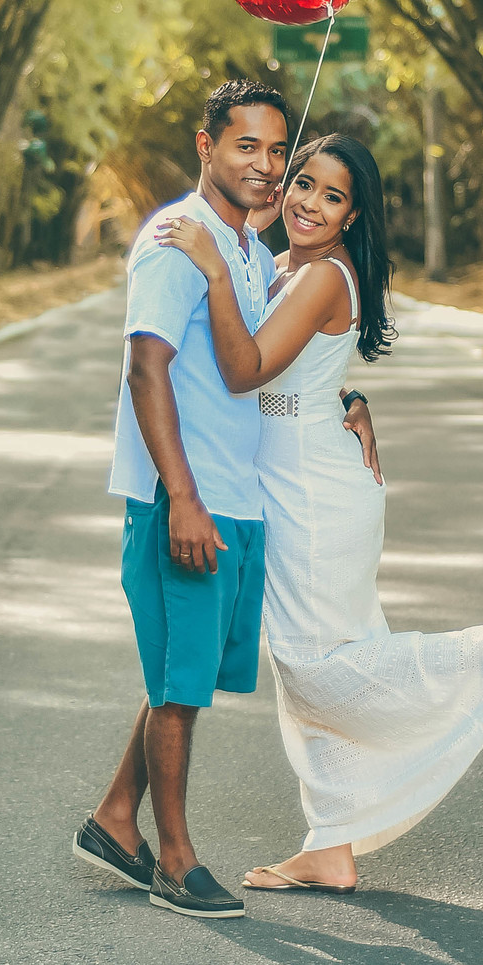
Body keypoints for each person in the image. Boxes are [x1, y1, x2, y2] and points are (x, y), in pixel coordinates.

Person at [156, 131, 483, 894]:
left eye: (332, 195)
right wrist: (350, 398)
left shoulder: (324, 276)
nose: (309, 201)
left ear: (352, 214)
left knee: (310, 661)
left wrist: (211, 263)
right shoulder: (287, 264)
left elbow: (247, 368)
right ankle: (332, 844)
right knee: (314, 658)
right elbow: (303, 378)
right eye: (303, 183)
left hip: (313, 492)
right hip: (305, 477)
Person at [73, 85, 379, 919]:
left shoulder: (248, 246)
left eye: (280, 151)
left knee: (190, 667)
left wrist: (342, 397)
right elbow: (148, 367)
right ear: (205, 145)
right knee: (180, 685)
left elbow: (278, 350)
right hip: (190, 497)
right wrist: (181, 497)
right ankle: (175, 859)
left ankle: (112, 817)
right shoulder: (180, 240)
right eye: (248, 147)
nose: (269, 167)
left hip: (238, 498)